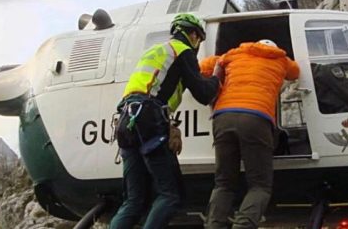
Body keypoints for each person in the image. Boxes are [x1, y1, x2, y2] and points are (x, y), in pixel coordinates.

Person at [110, 13, 221, 229]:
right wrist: (217, 76)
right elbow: (204, 94)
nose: (197, 44)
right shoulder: (182, 51)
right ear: (192, 34)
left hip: (125, 121)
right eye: (198, 38)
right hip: (148, 118)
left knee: (134, 200)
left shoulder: (155, 51)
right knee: (171, 195)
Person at [200, 39, 299, 229]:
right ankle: (243, 225)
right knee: (259, 185)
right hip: (256, 118)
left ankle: (213, 225)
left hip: (223, 117)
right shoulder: (281, 59)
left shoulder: (232, 54)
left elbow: (202, 67)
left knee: (224, 183)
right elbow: (296, 73)